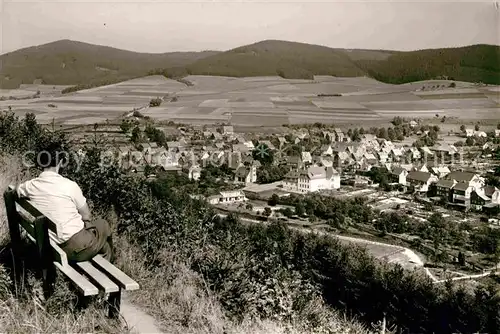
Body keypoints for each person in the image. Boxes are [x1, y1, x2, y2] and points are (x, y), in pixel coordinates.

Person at [16, 143, 114, 262]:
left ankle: (102, 260)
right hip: (74, 248)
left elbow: (16, 190)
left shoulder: (30, 185)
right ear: (60, 162)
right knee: (103, 225)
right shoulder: (70, 186)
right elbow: (86, 215)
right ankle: (107, 268)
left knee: (99, 239)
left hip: (50, 245)